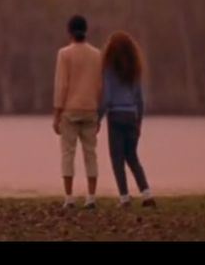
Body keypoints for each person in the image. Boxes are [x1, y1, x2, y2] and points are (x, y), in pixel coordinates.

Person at [98, 31, 156, 208]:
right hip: (131, 115)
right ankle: (146, 193)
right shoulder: (135, 69)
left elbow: (106, 97)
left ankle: (124, 197)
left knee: (117, 158)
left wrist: (98, 118)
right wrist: (139, 122)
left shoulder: (108, 69)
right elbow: (140, 99)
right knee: (132, 156)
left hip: (115, 116)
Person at [52, 15, 102, 209]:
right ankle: (91, 197)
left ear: (69, 31)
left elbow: (61, 85)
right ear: (86, 30)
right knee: (91, 154)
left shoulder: (64, 54)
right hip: (90, 108)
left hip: (70, 110)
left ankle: (69, 197)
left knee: (68, 153)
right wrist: (99, 111)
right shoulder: (97, 54)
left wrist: (57, 114)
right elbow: (99, 85)